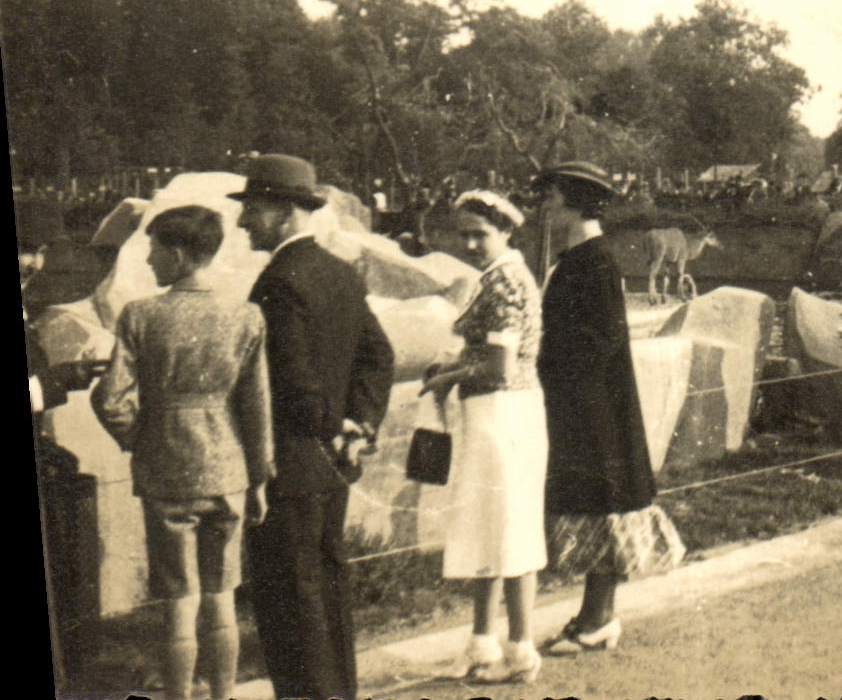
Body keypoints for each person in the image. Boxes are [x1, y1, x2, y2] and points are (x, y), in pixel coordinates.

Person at [91, 205, 273, 700]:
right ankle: (224, 695)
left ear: (175, 254)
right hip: (228, 468)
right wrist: (258, 478)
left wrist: (139, 438)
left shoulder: (141, 315)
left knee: (178, 598)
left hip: (166, 471)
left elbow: (110, 400)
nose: (149, 261)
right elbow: (257, 408)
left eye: (152, 251)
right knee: (221, 595)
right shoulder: (246, 316)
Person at [231, 154, 395, 700]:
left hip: (291, 462)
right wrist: (358, 426)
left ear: (281, 211)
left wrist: (326, 427)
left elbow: (294, 383)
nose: (242, 223)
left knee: (289, 605)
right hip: (333, 465)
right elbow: (380, 355)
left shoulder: (278, 281)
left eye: (251, 210)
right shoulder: (339, 271)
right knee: (326, 592)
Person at [534, 161, 684, 654]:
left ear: (573, 201)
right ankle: (595, 615)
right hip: (586, 404)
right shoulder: (581, 258)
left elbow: (596, 341)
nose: (544, 209)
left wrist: (544, 366)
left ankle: (598, 619)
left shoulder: (593, 262)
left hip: (593, 408)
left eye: (551, 199)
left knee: (601, 509)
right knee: (597, 508)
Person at [420, 190, 547, 684]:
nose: (471, 243)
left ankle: (520, 651)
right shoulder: (495, 277)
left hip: (505, 413)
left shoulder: (509, 281)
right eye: (464, 234)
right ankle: (482, 644)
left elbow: (498, 368)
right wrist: (452, 367)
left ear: (506, 233)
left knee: (509, 529)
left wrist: (444, 377)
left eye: (481, 234)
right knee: (489, 526)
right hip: (492, 414)